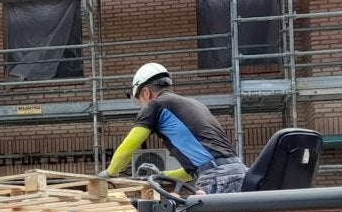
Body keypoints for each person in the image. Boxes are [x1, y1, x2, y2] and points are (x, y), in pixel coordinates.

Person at [99, 62, 247, 193]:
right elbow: (194, 169)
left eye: (140, 101)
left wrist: (111, 173)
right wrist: (162, 175)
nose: (142, 107)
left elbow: (127, 148)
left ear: (146, 92)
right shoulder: (193, 104)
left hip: (217, 177)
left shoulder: (155, 105)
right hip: (239, 173)